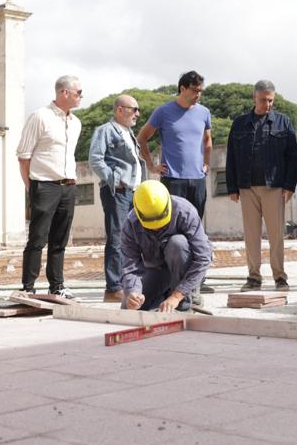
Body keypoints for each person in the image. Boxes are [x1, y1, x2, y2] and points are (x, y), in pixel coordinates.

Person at [138, 70, 214, 294]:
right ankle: (170, 280)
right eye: (194, 90)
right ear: (182, 88)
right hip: (172, 181)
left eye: (201, 91)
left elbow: (208, 141)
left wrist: (206, 164)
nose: (198, 95)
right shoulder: (164, 112)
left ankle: (197, 280)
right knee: (170, 233)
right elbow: (142, 137)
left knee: (196, 230)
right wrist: (151, 166)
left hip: (197, 179)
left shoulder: (204, 112)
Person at [225, 80, 297, 290]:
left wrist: (289, 186)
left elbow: (292, 157)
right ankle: (254, 277)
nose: (268, 104)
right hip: (246, 187)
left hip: (274, 186)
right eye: (264, 100)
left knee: (276, 235)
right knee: (251, 235)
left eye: (271, 100)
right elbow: (231, 157)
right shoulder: (239, 124)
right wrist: (232, 187)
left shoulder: (283, 123)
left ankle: (280, 277)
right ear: (254, 98)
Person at [16, 75, 84, 298]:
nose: (81, 97)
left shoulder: (76, 123)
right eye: (78, 93)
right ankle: (28, 286)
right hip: (44, 186)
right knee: (37, 238)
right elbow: (24, 156)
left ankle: (57, 285)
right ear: (64, 93)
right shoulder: (40, 117)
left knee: (60, 240)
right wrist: (32, 187)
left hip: (69, 186)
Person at [119, 180, 213, 313]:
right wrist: (133, 292)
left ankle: (184, 302)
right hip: (157, 270)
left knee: (177, 243)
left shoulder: (185, 211)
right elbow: (130, 266)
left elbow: (203, 258)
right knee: (128, 308)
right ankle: (164, 294)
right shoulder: (131, 223)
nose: (157, 227)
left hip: (184, 268)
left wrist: (177, 296)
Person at [88, 94, 145, 304]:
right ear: (120, 110)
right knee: (117, 238)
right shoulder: (105, 130)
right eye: (134, 109)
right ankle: (113, 288)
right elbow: (95, 158)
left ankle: (130, 284)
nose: (137, 114)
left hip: (135, 192)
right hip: (118, 192)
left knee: (135, 239)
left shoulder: (129, 133)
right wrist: (113, 178)